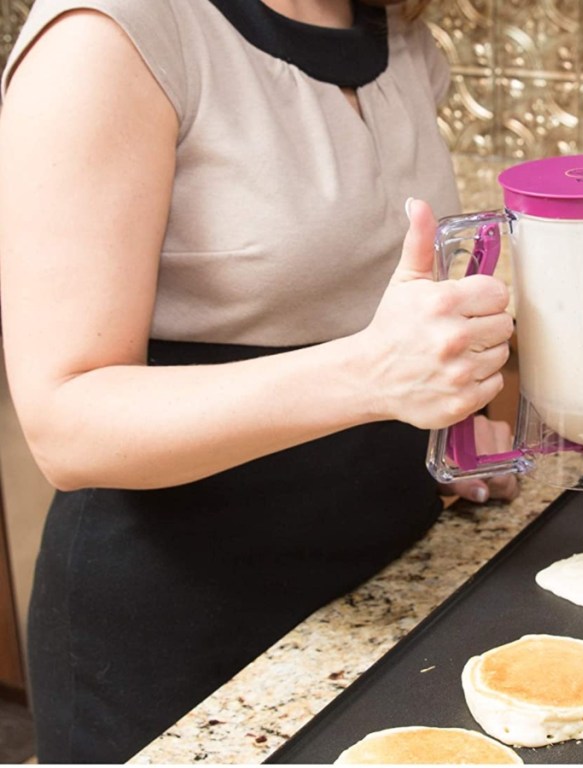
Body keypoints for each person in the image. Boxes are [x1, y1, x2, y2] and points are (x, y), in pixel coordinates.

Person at [0, 0, 517, 762]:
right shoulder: (111, 35)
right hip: (182, 637)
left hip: (385, 593)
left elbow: (358, 288)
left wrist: (451, 439)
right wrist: (372, 375)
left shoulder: (395, 28)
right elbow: (66, 423)